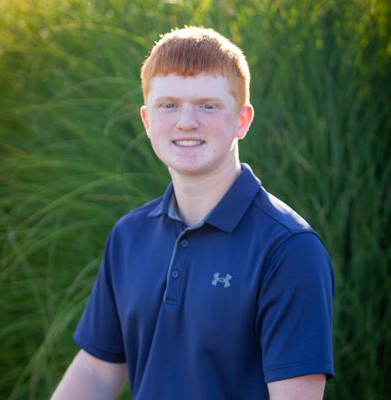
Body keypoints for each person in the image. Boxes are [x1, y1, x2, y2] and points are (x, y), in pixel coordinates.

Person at [51, 26, 335, 400]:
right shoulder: (129, 235)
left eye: (207, 105)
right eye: (168, 105)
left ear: (242, 120)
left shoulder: (288, 249)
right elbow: (96, 371)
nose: (186, 121)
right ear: (147, 120)